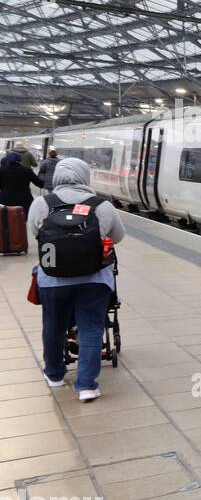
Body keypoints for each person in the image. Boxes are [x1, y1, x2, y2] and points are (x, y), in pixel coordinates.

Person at [27, 157, 125, 402]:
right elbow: (119, 236)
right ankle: (87, 386)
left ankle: (54, 375)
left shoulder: (42, 203)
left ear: (58, 176)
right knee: (92, 328)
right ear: (85, 176)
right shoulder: (101, 205)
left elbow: (36, 233)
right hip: (94, 280)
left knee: (54, 326)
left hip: (52, 279)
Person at [0, 150, 44, 218]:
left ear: (7, 160)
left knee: (5, 218)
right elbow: (40, 184)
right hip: (24, 200)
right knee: (22, 219)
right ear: (20, 160)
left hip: (5, 199)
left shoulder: (2, 170)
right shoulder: (27, 171)